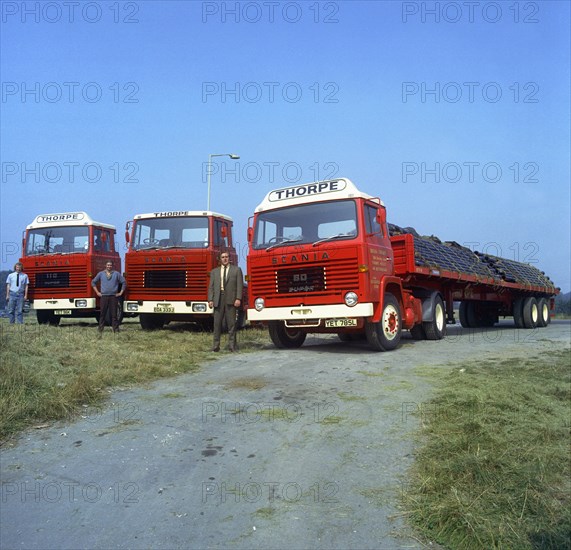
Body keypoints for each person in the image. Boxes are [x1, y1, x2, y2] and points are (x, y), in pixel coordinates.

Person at [208, 251, 244, 352]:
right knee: (217, 324)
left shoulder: (236, 270)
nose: (225, 259)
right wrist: (210, 299)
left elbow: (239, 286)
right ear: (220, 259)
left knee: (231, 324)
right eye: (223, 257)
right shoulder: (214, 272)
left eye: (226, 257)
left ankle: (232, 346)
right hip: (218, 300)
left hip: (231, 300)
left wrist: (238, 298)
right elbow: (210, 287)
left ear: (229, 258)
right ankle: (216, 346)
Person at [91, 261, 126, 334]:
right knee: (102, 314)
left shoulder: (116, 274)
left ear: (112, 266)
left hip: (113, 297)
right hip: (104, 296)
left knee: (114, 314)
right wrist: (97, 292)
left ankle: (116, 330)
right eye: (108, 265)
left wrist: (120, 293)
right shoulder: (101, 274)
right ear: (105, 266)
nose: (109, 266)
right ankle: (100, 329)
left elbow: (124, 282)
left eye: (110, 265)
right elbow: (93, 282)